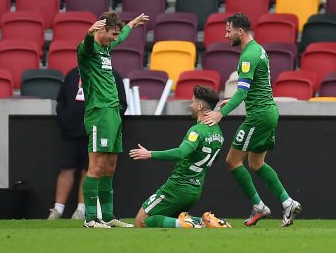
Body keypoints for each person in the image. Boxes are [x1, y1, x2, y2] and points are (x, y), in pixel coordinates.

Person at [201, 12, 303, 227]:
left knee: (232, 160)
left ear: (240, 31)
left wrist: (221, 113)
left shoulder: (248, 55)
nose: (226, 35)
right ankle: (287, 202)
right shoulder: (259, 49)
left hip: (258, 116)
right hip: (268, 113)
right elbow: (255, 86)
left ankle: (259, 206)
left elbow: (243, 92)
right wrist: (231, 99)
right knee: (256, 163)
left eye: (228, 30)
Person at [77, 11, 149, 228]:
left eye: (117, 34)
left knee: (110, 167)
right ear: (101, 30)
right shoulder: (88, 50)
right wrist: (89, 34)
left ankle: (107, 216)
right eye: (113, 34)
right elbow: (87, 45)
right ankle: (90, 219)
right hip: (99, 112)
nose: (116, 38)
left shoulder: (107, 48)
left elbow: (122, 35)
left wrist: (133, 24)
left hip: (114, 112)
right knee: (96, 165)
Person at [129, 85, 230, 228]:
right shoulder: (219, 133)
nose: (190, 105)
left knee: (141, 221)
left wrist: (150, 154)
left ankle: (184, 223)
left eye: (193, 102)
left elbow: (180, 152)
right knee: (165, 218)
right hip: (195, 190)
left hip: (177, 188)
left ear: (200, 106)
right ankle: (207, 221)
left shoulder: (197, 130)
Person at [47, 66, 127, 220]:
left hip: (96, 131)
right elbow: (61, 100)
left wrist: (105, 123)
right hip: (70, 131)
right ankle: (57, 209)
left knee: (88, 170)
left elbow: (121, 104)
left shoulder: (111, 75)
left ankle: (81, 209)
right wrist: (65, 121)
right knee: (66, 169)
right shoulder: (72, 74)